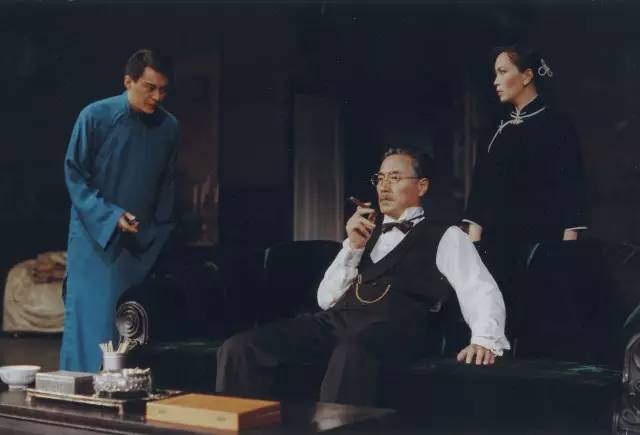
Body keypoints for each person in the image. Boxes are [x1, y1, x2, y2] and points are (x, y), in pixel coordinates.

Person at [216, 147, 510, 406]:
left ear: (421, 186)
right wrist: (353, 247)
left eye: (395, 178)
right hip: (337, 324)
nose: (384, 186)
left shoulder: (446, 235)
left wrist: (485, 339)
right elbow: (326, 300)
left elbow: (479, 288)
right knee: (241, 348)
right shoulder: (364, 232)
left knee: (351, 353)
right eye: (380, 179)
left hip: (394, 330)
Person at [60, 49, 179, 372]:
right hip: (98, 242)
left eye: (163, 90)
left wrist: (160, 234)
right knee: (96, 333)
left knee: (139, 335)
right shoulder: (95, 116)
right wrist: (110, 216)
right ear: (128, 81)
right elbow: (75, 174)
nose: (157, 97)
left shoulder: (169, 127)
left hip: (143, 244)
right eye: (149, 88)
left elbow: (167, 185)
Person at [463, 45, 589, 336]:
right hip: (496, 247)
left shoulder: (558, 126)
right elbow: (481, 191)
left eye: (502, 72)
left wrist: (565, 253)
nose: (495, 81)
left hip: (543, 247)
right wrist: (473, 249)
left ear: (527, 76)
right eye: (495, 73)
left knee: (537, 326)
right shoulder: (496, 129)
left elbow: (571, 190)